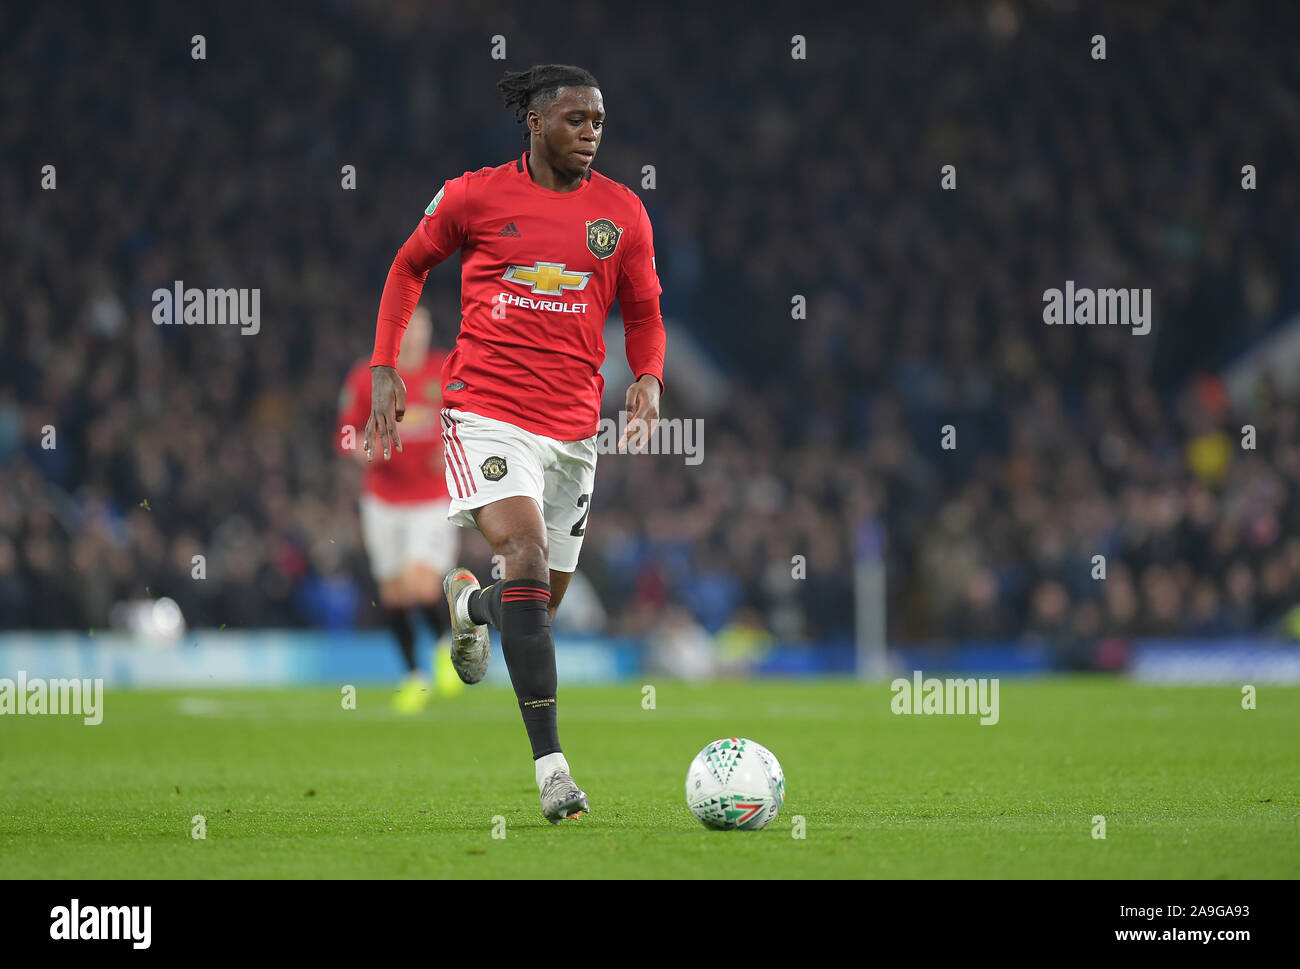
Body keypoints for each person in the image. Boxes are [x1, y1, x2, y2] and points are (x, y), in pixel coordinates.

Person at [364, 64, 666, 822]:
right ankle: (553, 771)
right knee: (525, 555)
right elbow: (408, 266)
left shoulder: (622, 213)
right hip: (486, 412)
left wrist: (651, 376)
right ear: (534, 123)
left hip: (573, 429)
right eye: (574, 119)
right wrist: (385, 366)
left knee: (538, 601)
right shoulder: (474, 195)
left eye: (598, 121)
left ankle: (471, 611)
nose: (591, 133)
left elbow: (646, 310)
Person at [337, 305, 458, 713]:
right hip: (382, 498)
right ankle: (413, 677)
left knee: (420, 582)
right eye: (408, 328)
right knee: (392, 592)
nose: (415, 336)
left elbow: (470, 418)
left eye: (421, 327)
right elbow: (344, 432)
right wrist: (360, 449)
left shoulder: (444, 369)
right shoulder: (367, 377)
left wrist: (454, 447)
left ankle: (446, 645)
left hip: (430, 497)